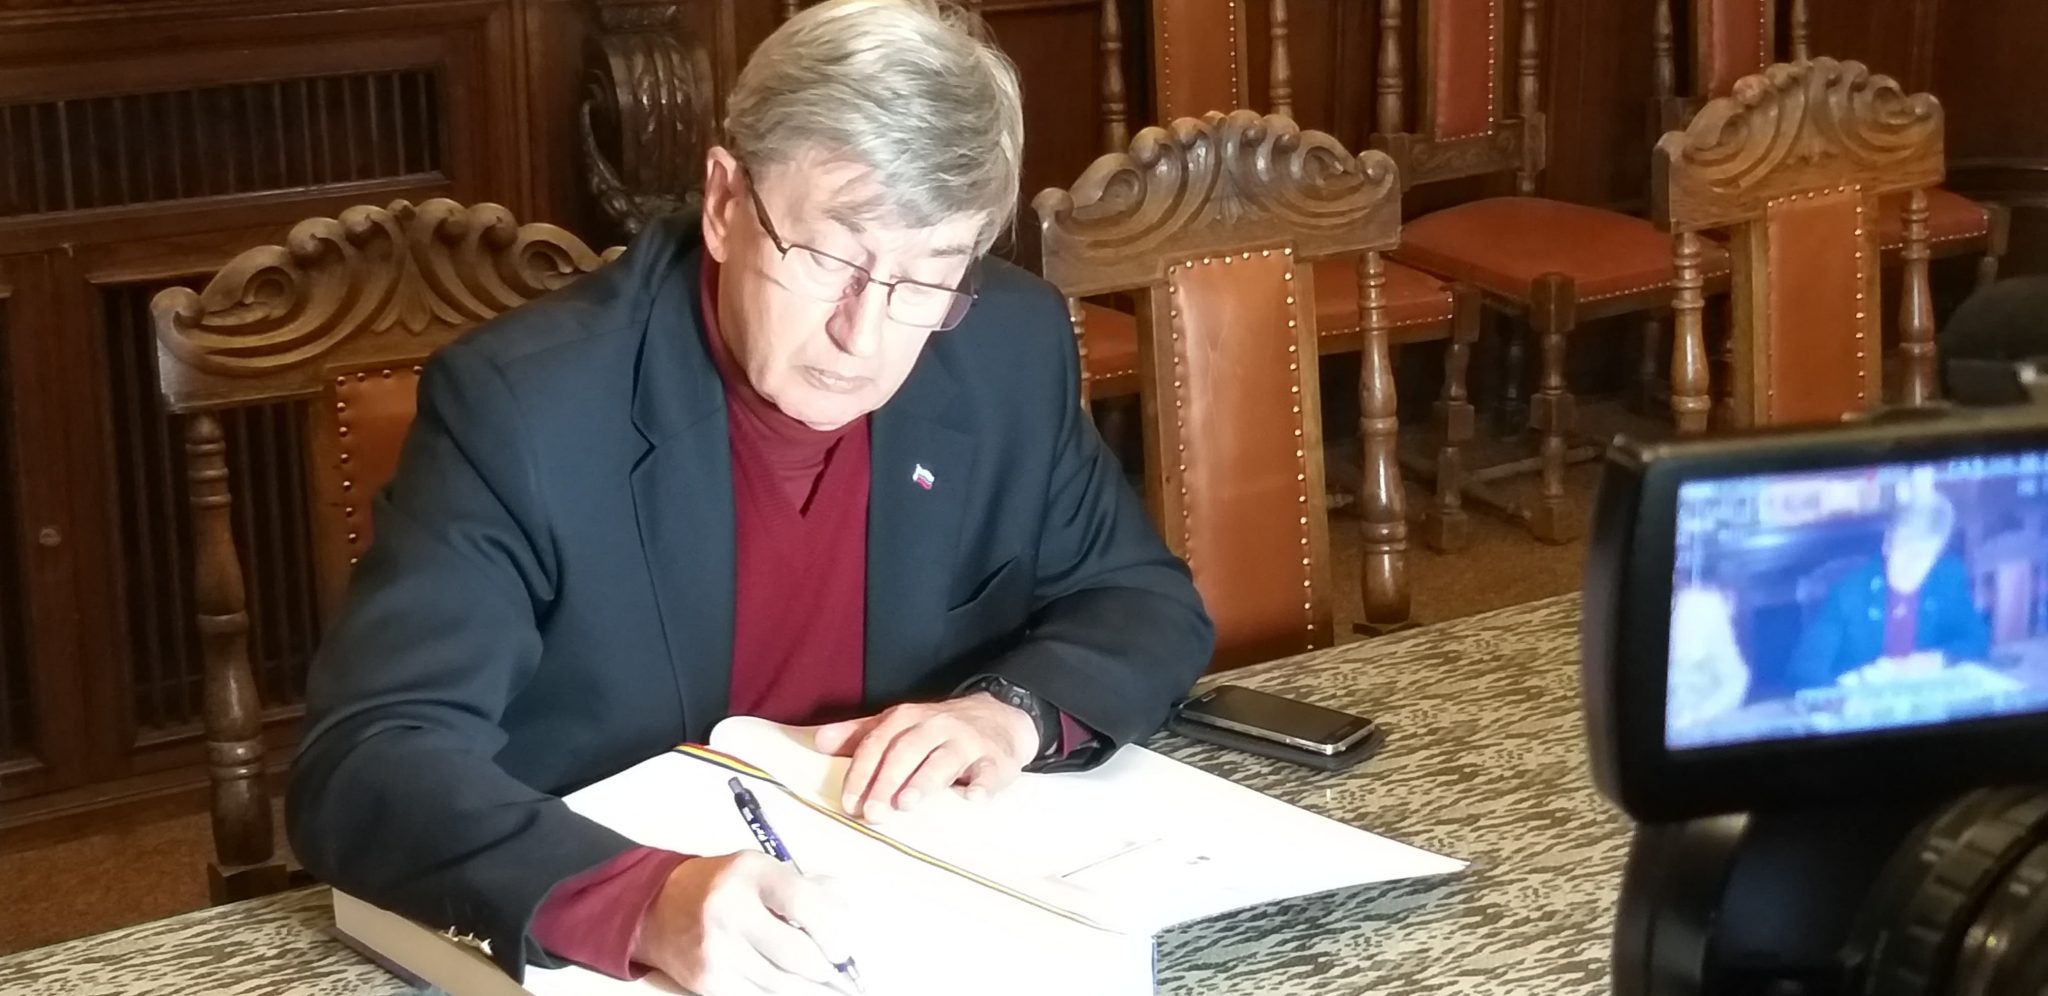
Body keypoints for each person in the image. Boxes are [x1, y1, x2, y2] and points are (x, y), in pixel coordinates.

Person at [284, 2, 1214, 993]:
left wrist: (1007, 714)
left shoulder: (1003, 346)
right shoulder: (525, 407)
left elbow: (1140, 602)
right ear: (726, 202)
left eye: (926, 278)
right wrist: (641, 899)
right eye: (831, 259)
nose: (864, 336)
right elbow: (367, 757)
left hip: (908, 920)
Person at [1786, 490, 1990, 692]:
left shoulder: (1947, 579)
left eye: (1922, 556)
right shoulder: (1849, 592)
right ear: (1887, 544)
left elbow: (1977, 641)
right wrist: (1857, 681)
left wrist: (1937, 659)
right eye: (1904, 551)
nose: (1910, 566)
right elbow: (1804, 671)